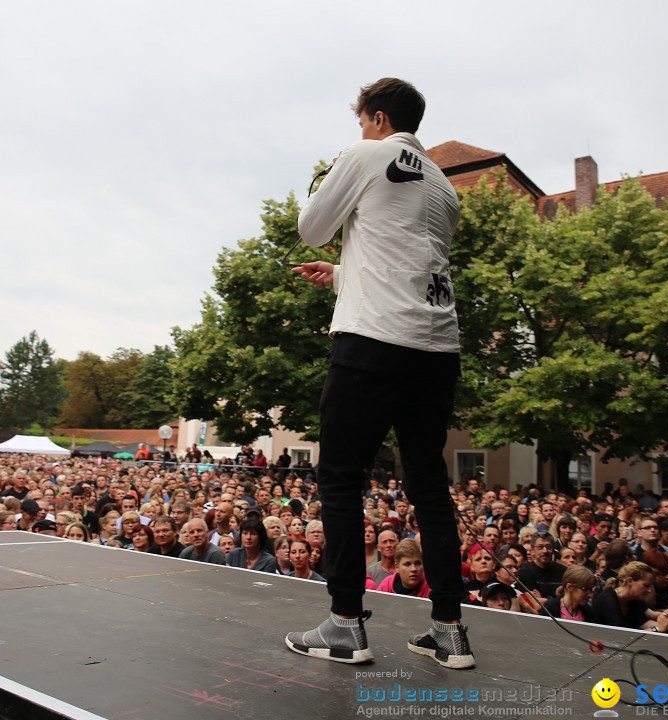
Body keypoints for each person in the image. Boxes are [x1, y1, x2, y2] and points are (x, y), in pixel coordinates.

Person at [285, 78, 470, 669]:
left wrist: (332, 171)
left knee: (339, 478)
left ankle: (344, 625)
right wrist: (341, 274)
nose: (359, 130)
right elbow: (406, 259)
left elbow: (311, 224)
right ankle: (449, 632)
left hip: (372, 343)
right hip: (437, 349)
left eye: (361, 120)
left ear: (379, 117)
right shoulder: (444, 186)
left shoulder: (367, 152)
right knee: (429, 488)